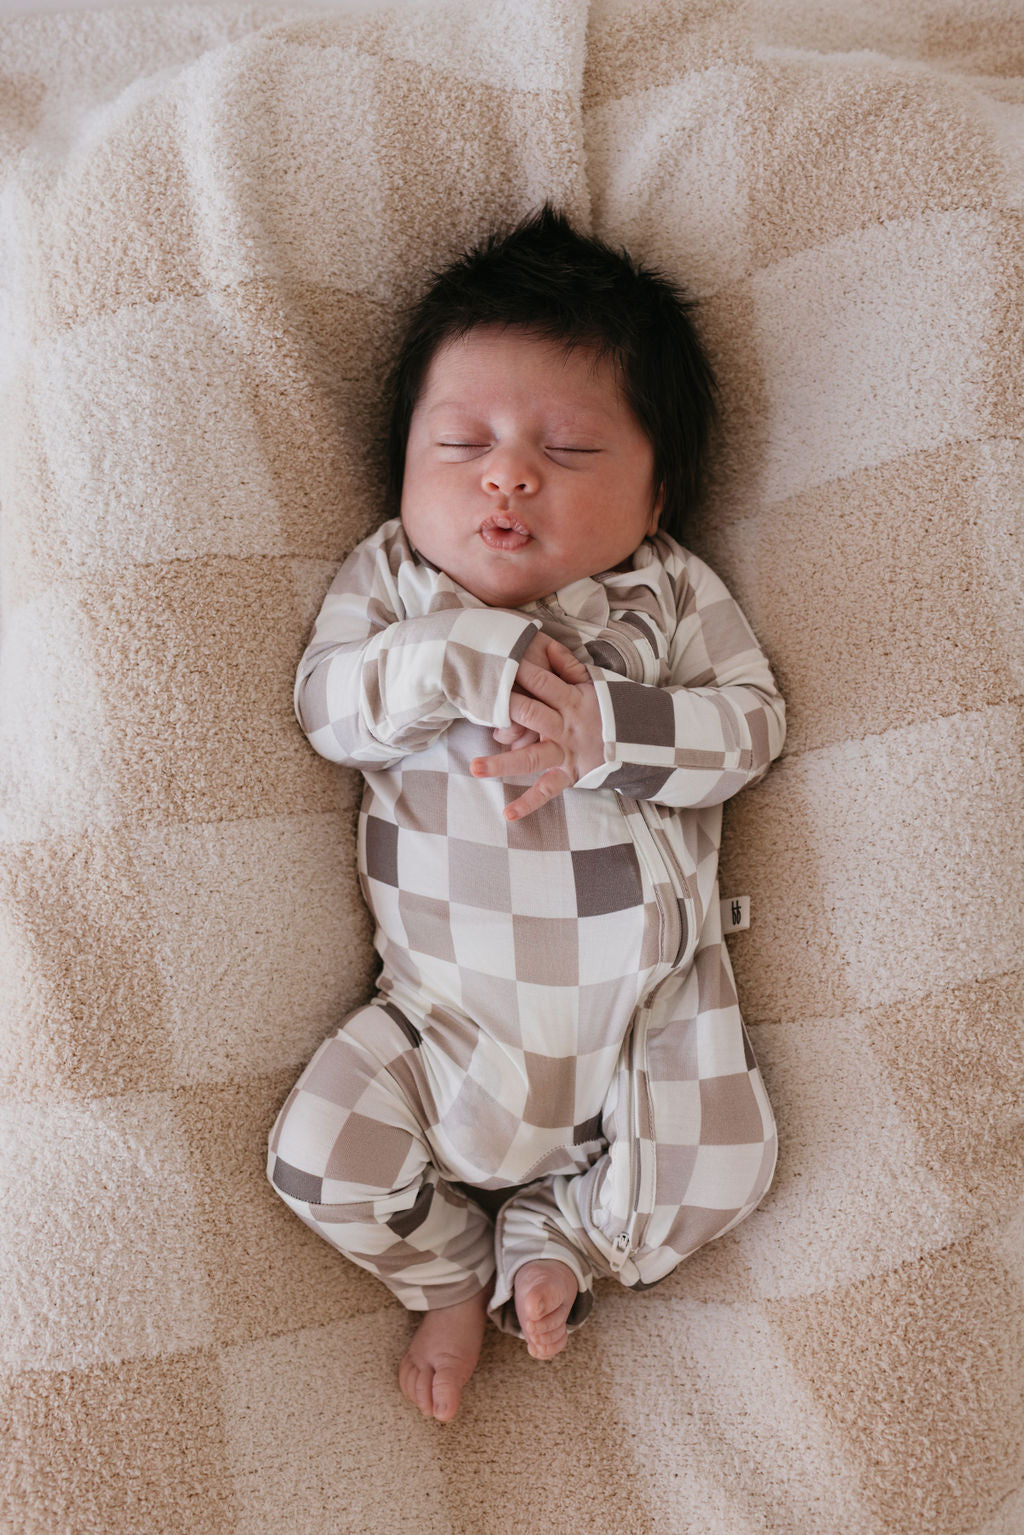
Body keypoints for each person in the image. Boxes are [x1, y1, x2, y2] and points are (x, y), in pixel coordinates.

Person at [267, 206, 786, 1423]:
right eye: (462, 440)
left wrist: (614, 728)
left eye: (568, 448)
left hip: (644, 1018)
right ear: (402, 460)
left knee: (728, 1155)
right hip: (436, 1022)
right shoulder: (396, 579)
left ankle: (566, 1234)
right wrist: (454, 655)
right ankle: (449, 1268)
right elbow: (326, 708)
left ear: (657, 496)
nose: (507, 473)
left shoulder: (661, 595)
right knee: (315, 1153)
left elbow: (753, 726)